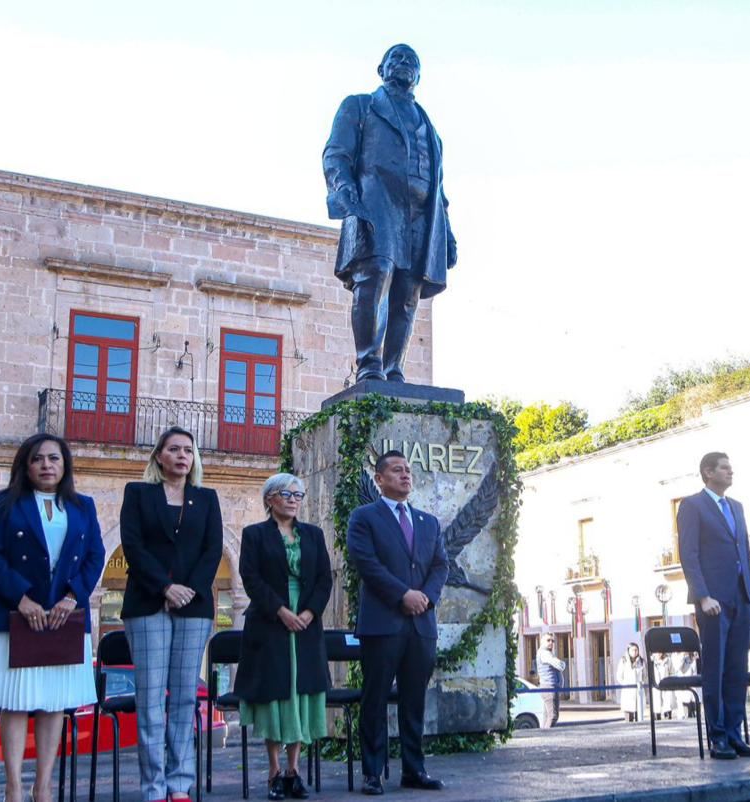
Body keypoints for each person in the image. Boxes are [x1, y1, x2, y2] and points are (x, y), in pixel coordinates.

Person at [0, 434, 105, 802]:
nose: (47, 465)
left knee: (53, 703)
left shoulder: (83, 506)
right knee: (14, 702)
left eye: (54, 459)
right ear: (25, 466)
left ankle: (42, 787)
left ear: (65, 466)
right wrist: (21, 599)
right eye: (38, 459)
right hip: (15, 615)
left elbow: (95, 556)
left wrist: (73, 597)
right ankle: (13, 787)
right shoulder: (5, 503)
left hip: (64, 617)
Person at [322, 43, 458, 383]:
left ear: (419, 76)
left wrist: (448, 233)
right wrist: (346, 194)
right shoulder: (361, 106)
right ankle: (369, 363)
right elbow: (336, 154)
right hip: (376, 202)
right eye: (395, 58)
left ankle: (393, 367)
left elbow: (439, 189)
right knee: (377, 273)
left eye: (411, 60)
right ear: (380, 69)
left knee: (408, 291)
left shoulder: (431, 129)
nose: (403, 64)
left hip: (422, 216)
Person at [119, 427, 224, 802]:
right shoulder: (138, 494)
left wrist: (187, 590)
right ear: (159, 456)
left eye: (188, 451)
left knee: (184, 698)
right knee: (149, 700)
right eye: (174, 449)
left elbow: (213, 551)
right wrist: (165, 587)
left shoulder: (206, 499)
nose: (182, 456)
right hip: (148, 603)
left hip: (194, 606)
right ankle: (153, 787)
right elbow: (132, 546)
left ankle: (180, 785)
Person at [346, 451, 449, 795]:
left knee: (414, 699)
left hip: (421, 625)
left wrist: (426, 597)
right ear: (379, 478)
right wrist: (403, 594)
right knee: (374, 699)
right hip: (383, 623)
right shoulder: (364, 517)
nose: (405, 475)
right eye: (396, 470)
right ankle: (372, 773)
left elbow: (440, 566)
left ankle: (413, 769)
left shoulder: (428, 522)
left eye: (407, 470)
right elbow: (367, 563)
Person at [236, 473, 331, 800]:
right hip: (269, 621)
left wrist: (308, 612)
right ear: (269, 499)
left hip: (306, 624)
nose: (293, 499)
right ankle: (274, 771)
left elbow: (323, 580)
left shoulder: (314, 536)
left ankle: (294, 771)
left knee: (300, 697)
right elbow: (251, 577)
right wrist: (280, 610)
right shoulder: (254, 535)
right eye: (285, 493)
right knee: (276, 696)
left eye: (298, 494)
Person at [677, 452, 750, 759]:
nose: (731, 472)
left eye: (730, 467)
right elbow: (688, 554)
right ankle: (717, 736)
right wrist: (702, 595)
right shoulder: (692, 505)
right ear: (708, 472)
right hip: (713, 601)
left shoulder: (736, 507)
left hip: (740, 599)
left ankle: (734, 732)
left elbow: (744, 553)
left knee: (737, 670)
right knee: (715, 669)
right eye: (725, 468)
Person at [535, 633, 566, 726]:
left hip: (548, 687)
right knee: (553, 716)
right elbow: (560, 665)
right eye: (548, 640)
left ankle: (544, 737)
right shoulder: (545, 653)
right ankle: (547, 738)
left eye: (552, 641)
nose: (551, 642)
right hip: (549, 687)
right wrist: (563, 664)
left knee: (547, 716)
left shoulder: (545, 653)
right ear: (542, 642)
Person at [616, 643, 645, 722]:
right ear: (628, 651)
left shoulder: (641, 661)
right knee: (629, 715)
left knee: (639, 714)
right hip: (628, 691)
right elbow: (619, 676)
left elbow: (645, 675)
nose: (634, 652)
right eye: (632, 650)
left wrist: (641, 683)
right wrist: (625, 684)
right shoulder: (623, 660)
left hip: (638, 691)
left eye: (636, 650)